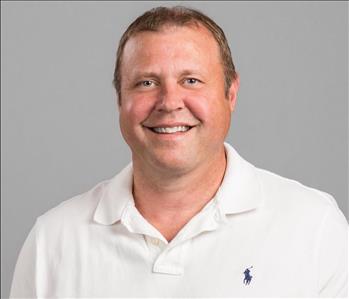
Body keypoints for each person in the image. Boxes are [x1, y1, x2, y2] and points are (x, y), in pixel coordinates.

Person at [10, 6, 348, 298]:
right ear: (120, 101)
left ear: (231, 93)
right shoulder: (52, 241)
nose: (169, 102)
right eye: (146, 82)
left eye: (191, 81)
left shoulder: (313, 226)